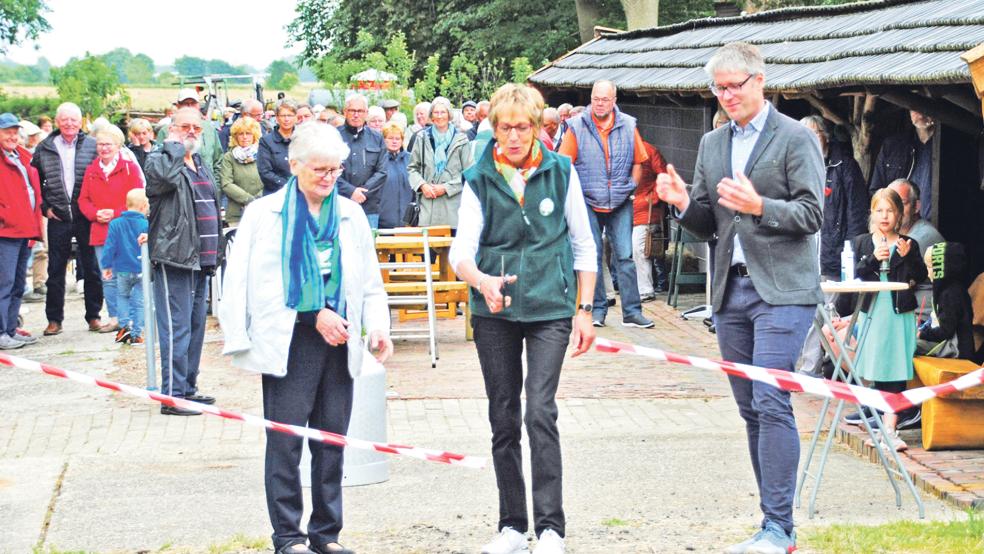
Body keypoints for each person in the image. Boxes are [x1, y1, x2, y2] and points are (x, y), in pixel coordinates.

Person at [656, 42, 825, 554]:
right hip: (730, 294)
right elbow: (708, 222)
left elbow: (812, 214)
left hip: (783, 293)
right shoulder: (712, 143)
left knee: (772, 400)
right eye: (719, 88)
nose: (727, 95)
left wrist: (759, 206)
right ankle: (770, 522)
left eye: (735, 85)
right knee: (751, 407)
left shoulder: (795, 136)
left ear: (760, 81)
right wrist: (682, 203)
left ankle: (780, 529)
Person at [219, 122, 392, 554]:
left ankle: (326, 534)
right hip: (290, 341)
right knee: (286, 441)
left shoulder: (350, 214)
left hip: (340, 341)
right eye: (320, 169)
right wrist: (312, 315)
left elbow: (368, 281)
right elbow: (250, 284)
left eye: (335, 169)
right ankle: (288, 536)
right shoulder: (264, 214)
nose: (329, 178)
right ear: (294, 165)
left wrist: (377, 326)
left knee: (332, 441)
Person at [449, 83, 597, 554]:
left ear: (536, 128)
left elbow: (584, 244)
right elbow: (460, 251)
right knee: (504, 415)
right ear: (493, 129)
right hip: (495, 310)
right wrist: (482, 281)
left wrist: (585, 310)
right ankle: (512, 525)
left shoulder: (561, 171)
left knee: (539, 411)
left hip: (551, 306)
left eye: (522, 127)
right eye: (505, 128)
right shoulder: (478, 177)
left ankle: (551, 527)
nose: (513, 136)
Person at [834, 188, 926, 451]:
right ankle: (876, 422)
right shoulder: (862, 242)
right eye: (879, 210)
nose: (885, 216)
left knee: (895, 370)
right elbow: (855, 275)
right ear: (872, 214)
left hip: (898, 315)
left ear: (899, 215)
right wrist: (874, 259)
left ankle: (890, 430)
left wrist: (908, 256)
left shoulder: (908, 243)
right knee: (874, 369)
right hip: (872, 314)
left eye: (890, 211)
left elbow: (920, 276)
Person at [145, 107, 223, 414]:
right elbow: (164, 179)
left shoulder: (200, 163)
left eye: (197, 128)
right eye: (184, 126)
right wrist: (174, 146)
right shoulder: (159, 160)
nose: (191, 132)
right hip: (175, 257)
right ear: (171, 130)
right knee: (176, 329)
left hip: (202, 259)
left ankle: (188, 387)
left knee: (195, 327)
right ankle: (172, 396)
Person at [558, 80, 653, 329]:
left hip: (620, 200)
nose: (599, 104)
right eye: (595, 99)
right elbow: (564, 165)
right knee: (593, 255)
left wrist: (631, 187)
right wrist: (574, 198)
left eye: (604, 99)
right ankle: (597, 310)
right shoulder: (576, 126)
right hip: (588, 201)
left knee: (625, 256)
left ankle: (632, 312)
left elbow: (639, 161)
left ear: (614, 101)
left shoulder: (629, 124)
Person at [31, 102, 102, 336]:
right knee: (55, 269)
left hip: (85, 216)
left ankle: (94, 316)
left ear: (80, 122)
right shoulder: (44, 147)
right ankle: (54, 320)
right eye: (65, 119)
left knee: (91, 267)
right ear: (57, 121)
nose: (69, 124)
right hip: (59, 216)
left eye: (73, 120)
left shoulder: (92, 146)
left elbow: (100, 176)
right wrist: (45, 207)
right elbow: (34, 181)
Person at [78, 124, 144, 336]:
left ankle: (134, 318)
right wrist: (94, 214)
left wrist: (115, 213)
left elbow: (138, 198)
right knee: (108, 276)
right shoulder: (91, 170)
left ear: (118, 145)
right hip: (100, 230)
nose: (104, 148)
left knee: (130, 274)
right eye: (100, 144)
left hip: (126, 229)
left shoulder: (129, 168)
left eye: (108, 144)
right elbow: (83, 199)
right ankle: (115, 318)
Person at [797, 116, 868, 281]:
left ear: (826, 136)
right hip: (803, 261)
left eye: (815, 133)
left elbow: (857, 215)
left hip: (835, 260)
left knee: (831, 298)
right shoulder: (795, 168)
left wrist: (849, 255)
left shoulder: (845, 165)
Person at [0, 113, 42, 349]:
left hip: (24, 230)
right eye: (7, 132)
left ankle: (10, 328)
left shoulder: (22, 157)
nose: (12, 136)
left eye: (15, 132)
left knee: (18, 285)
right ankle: (1, 331)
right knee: (3, 284)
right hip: (5, 232)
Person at [408, 97, 472, 230]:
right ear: (431, 115)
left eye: (443, 112)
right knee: (427, 243)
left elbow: (469, 174)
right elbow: (412, 168)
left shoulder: (461, 139)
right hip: (427, 208)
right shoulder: (421, 138)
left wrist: (446, 188)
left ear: (449, 114)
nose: (439, 116)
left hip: (452, 209)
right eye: (436, 112)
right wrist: (422, 185)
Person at [100, 188, 149, 345]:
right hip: (141, 269)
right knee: (139, 301)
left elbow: (109, 247)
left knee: (122, 296)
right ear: (143, 206)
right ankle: (137, 333)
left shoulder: (115, 224)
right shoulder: (146, 224)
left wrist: (106, 266)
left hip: (122, 269)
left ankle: (124, 326)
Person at [869, 110, 936, 220]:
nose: (919, 111)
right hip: (900, 225)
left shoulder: (951, 147)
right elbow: (877, 192)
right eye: (913, 106)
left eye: (925, 104)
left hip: (937, 226)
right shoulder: (893, 146)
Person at [335, 94, 387, 228]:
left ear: (366, 113)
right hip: (340, 202)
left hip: (368, 206)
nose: (356, 115)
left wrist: (362, 192)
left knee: (368, 241)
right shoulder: (333, 136)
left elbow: (382, 171)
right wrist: (351, 191)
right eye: (352, 110)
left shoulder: (377, 138)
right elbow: (327, 170)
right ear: (345, 112)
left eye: (360, 111)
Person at [918, 242, 975, 360]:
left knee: (907, 345)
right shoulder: (947, 289)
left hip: (954, 349)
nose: (927, 273)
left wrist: (921, 334)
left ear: (942, 269)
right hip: (943, 342)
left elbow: (945, 331)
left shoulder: (950, 295)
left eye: (930, 267)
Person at [632, 141, 669, 301]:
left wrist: (651, 198)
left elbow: (664, 177)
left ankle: (645, 289)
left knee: (640, 248)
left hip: (644, 209)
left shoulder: (648, 150)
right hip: (634, 207)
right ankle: (642, 287)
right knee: (638, 249)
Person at [156, 89, 223, 176]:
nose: (189, 106)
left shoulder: (209, 129)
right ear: (178, 106)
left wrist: (214, 183)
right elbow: (159, 164)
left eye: (193, 103)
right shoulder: (166, 131)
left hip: (206, 182)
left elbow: (218, 161)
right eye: (185, 103)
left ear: (198, 105)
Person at [220, 116, 264, 226]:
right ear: (235, 136)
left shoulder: (263, 154)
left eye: (248, 133)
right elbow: (226, 184)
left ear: (254, 135)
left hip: (263, 211)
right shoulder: (229, 157)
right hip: (237, 214)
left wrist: (258, 199)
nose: (244, 137)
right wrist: (249, 199)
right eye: (241, 134)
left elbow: (269, 178)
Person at [258, 99, 300, 195]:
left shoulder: (303, 138)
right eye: (283, 115)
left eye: (290, 115)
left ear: (295, 117)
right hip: (275, 193)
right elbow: (265, 172)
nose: (286, 119)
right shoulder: (266, 141)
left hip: (301, 192)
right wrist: (288, 185)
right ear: (276, 117)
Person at [377, 122, 413, 229]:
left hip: (408, 221)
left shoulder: (411, 159)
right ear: (383, 139)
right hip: (384, 220)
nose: (394, 141)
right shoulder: (378, 160)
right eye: (390, 138)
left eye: (398, 139)